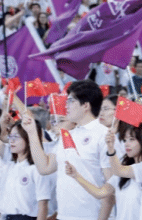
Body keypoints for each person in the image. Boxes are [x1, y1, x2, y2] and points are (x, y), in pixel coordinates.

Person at [22, 79, 113, 220]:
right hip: (64, 216)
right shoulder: (68, 135)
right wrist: (32, 132)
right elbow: (44, 168)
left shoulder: (103, 135)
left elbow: (110, 188)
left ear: (85, 105)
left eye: (70, 101)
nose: (66, 106)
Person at [70, 123, 142, 220]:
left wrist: (110, 148)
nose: (126, 144)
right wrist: (76, 175)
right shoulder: (123, 171)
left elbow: (119, 170)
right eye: (125, 140)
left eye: (132, 139)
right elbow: (100, 193)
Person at [0, 119, 54, 220]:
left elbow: (43, 206)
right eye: (10, 136)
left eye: (16, 137)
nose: (11, 140)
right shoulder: (8, 167)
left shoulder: (37, 169)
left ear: (29, 138)